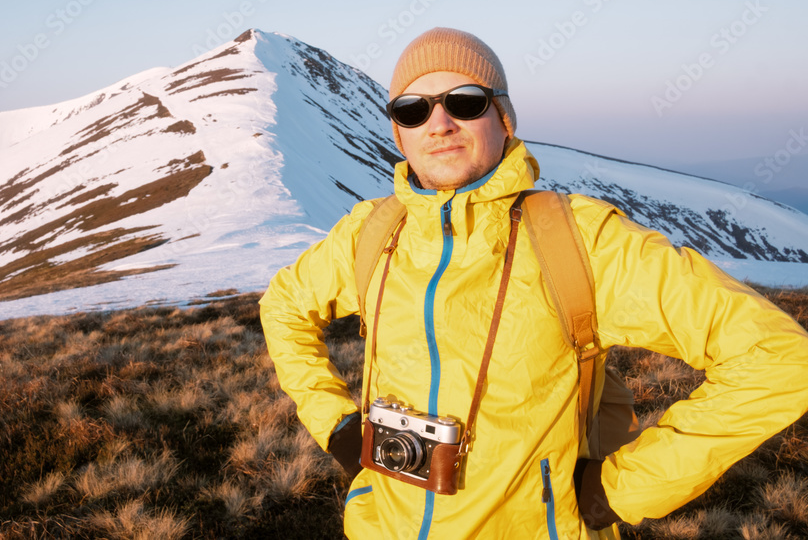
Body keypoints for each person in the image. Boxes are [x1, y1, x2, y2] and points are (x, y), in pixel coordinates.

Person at [259, 27, 808, 539]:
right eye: (413, 109)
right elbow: (284, 305)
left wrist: (616, 490)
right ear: (399, 131)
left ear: (504, 118)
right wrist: (336, 426)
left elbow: (779, 359)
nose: (439, 124)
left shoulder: (581, 240)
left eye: (465, 102)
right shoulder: (372, 233)